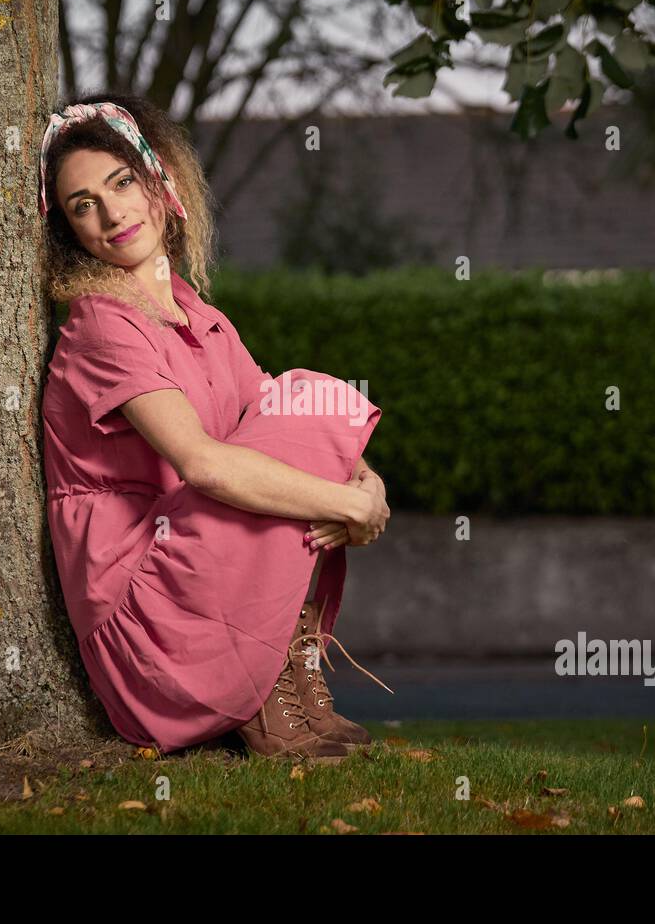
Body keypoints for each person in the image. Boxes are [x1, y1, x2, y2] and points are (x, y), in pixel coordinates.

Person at [38, 93, 393, 764]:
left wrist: (366, 485)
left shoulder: (197, 314)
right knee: (261, 454)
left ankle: (278, 662)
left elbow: (291, 418)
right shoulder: (100, 325)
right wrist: (346, 505)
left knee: (301, 399)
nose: (112, 213)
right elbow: (203, 465)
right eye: (84, 204)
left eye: (121, 183)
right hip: (146, 630)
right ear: (69, 229)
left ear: (158, 179)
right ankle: (254, 691)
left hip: (192, 581)